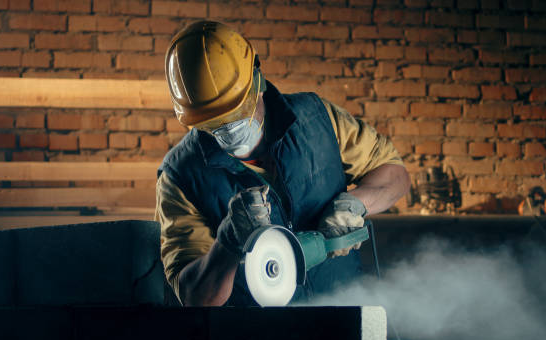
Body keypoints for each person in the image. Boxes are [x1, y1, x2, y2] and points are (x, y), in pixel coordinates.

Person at [155, 21, 411, 306]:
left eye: (236, 111)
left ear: (257, 82)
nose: (227, 127)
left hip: (342, 315)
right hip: (257, 334)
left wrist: (356, 204)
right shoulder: (180, 175)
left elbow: (395, 174)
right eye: (211, 123)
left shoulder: (317, 119)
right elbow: (193, 296)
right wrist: (227, 243)